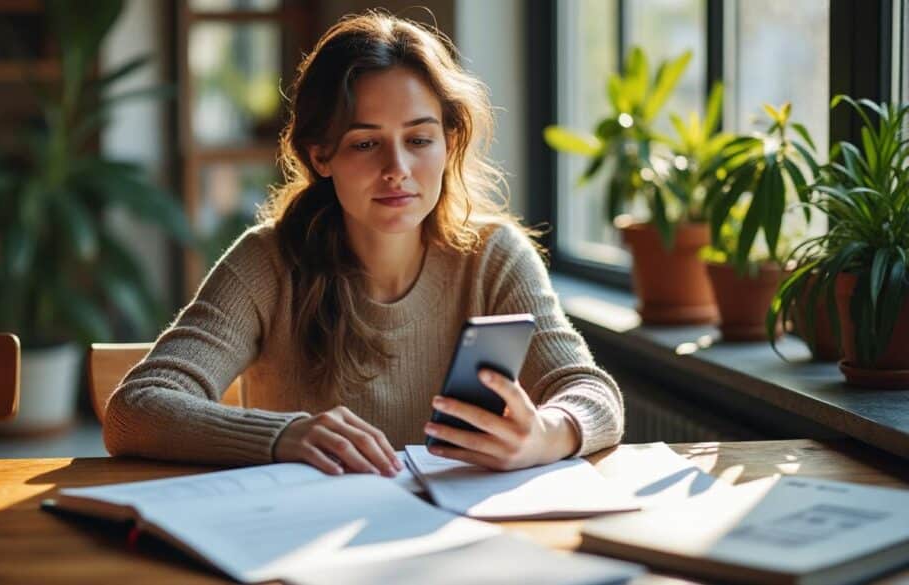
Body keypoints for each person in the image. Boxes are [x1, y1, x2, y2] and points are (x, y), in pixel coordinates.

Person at [103, 11, 623, 476]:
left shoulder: (494, 255)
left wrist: (546, 433)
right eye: (366, 143)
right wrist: (283, 436)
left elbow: (591, 394)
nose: (397, 170)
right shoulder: (268, 262)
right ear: (321, 156)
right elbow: (135, 410)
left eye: (419, 140)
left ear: (449, 144)